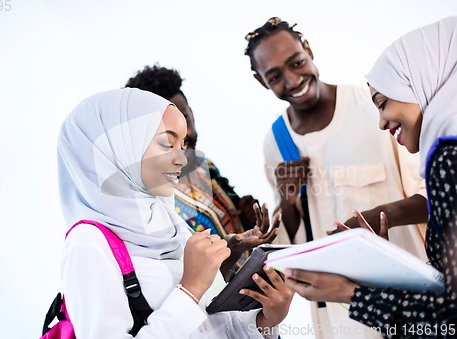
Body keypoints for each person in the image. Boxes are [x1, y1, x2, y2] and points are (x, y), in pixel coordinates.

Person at [244, 17, 429, 338]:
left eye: (297, 62)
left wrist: (373, 219)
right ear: (262, 81)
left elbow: (432, 197)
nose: (292, 80)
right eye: (274, 76)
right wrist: (288, 203)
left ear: (309, 49)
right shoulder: (276, 141)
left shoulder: (374, 108)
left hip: (406, 292)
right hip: (339, 315)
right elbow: (292, 247)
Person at [57, 88, 293, 338]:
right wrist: (190, 289)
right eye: (166, 144)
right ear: (120, 147)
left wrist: (266, 319)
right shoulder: (87, 243)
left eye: (181, 145)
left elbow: (221, 325)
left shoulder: (173, 225)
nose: (181, 159)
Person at [284, 16, 457, 338]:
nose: (380, 122)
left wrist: (349, 294)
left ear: (421, 80)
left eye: (382, 102)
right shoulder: (277, 140)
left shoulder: (448, 158)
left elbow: (448, 318)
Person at [125, 65, 268, 275]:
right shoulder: (147, 195)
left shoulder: (203, 165)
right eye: (168, 132)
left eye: (186, 120)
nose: (187, 134)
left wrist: (243, 217)